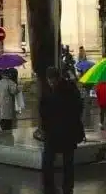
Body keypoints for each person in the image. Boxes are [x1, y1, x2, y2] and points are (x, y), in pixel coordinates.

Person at [40, 66, 84, 194]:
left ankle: (67, 188)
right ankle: (49, 187)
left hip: (67, 130)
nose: (51, 82)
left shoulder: (69, 88)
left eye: (53, 80)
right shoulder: (48, 90)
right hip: (53, 131)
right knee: (48, 160)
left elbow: (78, 107)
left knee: (67, 162)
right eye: (50, 80)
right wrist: (45, 126)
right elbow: (42, 110)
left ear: (58, 78)